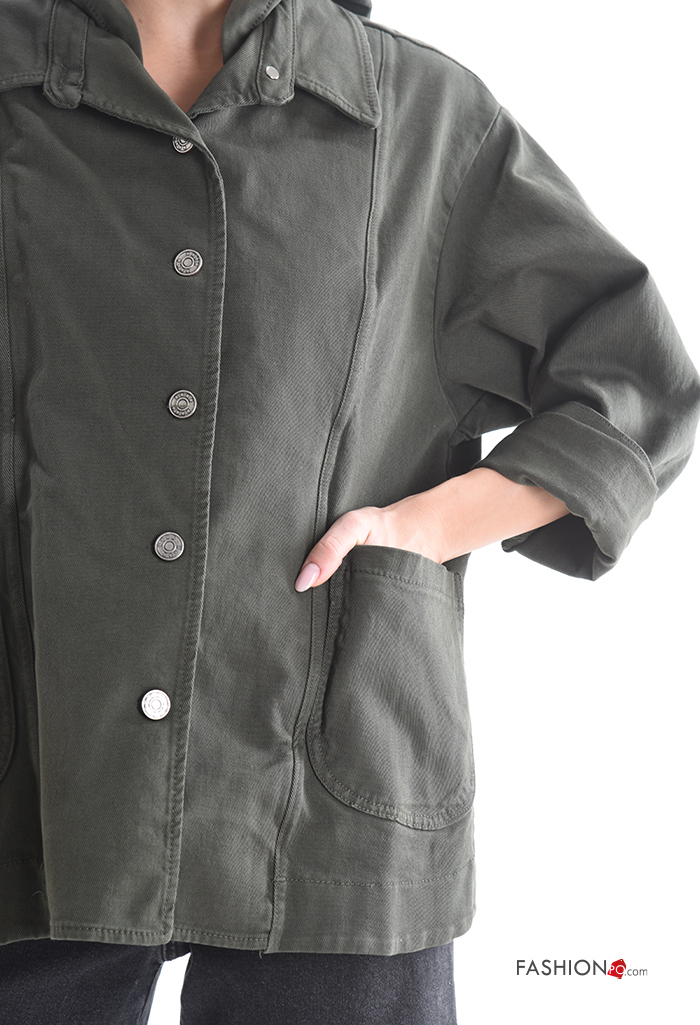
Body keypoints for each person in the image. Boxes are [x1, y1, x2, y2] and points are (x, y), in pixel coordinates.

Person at [0, 0, 698, 1022]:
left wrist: (431, 526)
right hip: (37, 776)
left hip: (328, 774)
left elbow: (633, 377)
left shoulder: (417, 114)